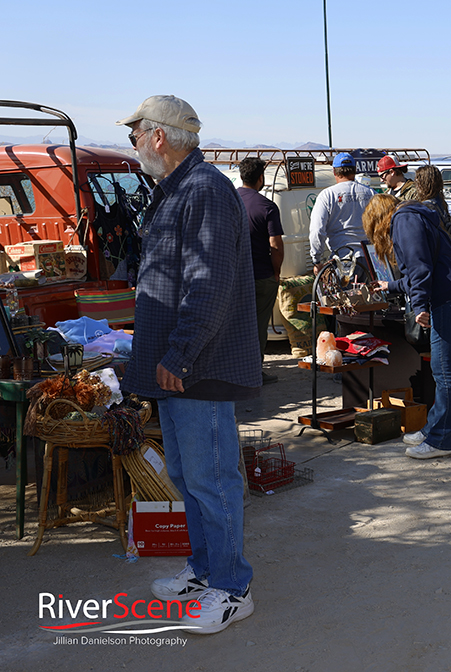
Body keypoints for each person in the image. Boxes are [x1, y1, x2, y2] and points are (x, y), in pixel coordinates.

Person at [116, 95, 258, 633]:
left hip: (198, 366)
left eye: (135, 136)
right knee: (185, 474)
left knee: (211, 478)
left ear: (158, 137)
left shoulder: (204, 190)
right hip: (177, 366)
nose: (133, 146)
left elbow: (209, 283)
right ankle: (204, 571)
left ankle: (230, 587)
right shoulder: (178, 190)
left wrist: (179, 353)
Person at [363, 194, 451, 459]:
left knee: (443, 370)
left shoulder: (403, 220)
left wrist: (420, 305)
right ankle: (434, 427)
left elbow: (420, 269)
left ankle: (440, 440)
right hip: (450, 293)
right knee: (440, 369)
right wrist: (391, 286)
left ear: (378, 220)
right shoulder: (412, 215)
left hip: (446, 297)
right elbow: (419, 273)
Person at [237, 157, 284, 385]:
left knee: (235, 323)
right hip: (261, 275)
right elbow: (275, 245)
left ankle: (232, 369)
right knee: (258, 325)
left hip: (233, 277)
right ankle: (253, 371)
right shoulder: (267, 206)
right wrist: (276, 272)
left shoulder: (229, 200)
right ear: (260, 178)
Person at [309, 152, 374, 276]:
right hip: (369, 259)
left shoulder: (327, 195)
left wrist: (316, 260)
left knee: (346, 295)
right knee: (371, 294)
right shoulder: (370, 193)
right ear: (355, 170)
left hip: (343, 260)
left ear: (334, 171)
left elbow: (317, 230)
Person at [415, 164, 451, 255]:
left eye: (417, 181)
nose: (416, 185)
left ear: (423, 183)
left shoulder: (426, 207)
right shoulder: (440, 201)